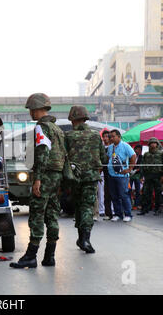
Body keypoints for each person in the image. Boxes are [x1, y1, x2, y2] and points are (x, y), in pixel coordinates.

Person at [10, 93, 66, 268]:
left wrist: (38, 179)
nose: (30, 113)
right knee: (52, 215)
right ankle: (50, 256)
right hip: (57, 176)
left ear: (37, 109)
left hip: (46, 175)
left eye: (31, 109)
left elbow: (42, 153)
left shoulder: (41, 127)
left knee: (36, 215)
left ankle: (31, 256)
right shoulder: (57, 129)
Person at [64, 105, 107, 254]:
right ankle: (85, 239)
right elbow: (104, 157)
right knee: (88, 207)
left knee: (78, 206)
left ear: (73, 119)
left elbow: (63, 157)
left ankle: (81, 238)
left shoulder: (68, 136)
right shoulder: (96, 135)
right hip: (91, 177)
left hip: (75, 177)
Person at [107, 129, 136, 222]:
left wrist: (129, 169)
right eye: (110, 136)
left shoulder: (125, 146)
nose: (111, 138)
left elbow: (133, 156)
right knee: (114, 195)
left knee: (124, 195)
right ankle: (118, 214)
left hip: (122, 175)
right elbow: (108, 157)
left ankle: (128, 214)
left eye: (113, 136)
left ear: (119, 136)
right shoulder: (110, 147)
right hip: (111, 174)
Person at [138, 137, 163, 216]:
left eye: (154, 143)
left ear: (157, 144)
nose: (153, 144)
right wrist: (141, 176)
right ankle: (145, 209)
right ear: (149, 145)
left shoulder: (161, 153)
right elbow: (142, 166)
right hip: (148, 176)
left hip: (158, 176)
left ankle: (157, 209)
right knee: (146, 193)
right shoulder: (146, 154)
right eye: (151, 143)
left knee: (158, 193)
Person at [98, 130, 114, 220]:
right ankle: (102, 210)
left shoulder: (113, 147)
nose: (105, 138)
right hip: (102, 172)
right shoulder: (101, 148)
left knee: (111, 192)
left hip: (111, 172)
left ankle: (112, 209)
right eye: (103, 137)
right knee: (101, 192)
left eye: (107, 137)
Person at [130, 144, 143, 209]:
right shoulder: (130, 156)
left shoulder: (141, 157)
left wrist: (136, 170)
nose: (138, 151)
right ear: (134, 149)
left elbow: (142, 166)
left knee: (138, 190)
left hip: (137, 175)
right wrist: (130, 170)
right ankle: (129, 204)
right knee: (129, 189)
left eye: (140, 150)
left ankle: (137, 204)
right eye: (137, 149)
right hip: (130, 175)